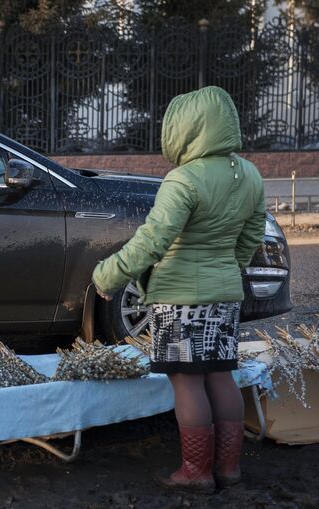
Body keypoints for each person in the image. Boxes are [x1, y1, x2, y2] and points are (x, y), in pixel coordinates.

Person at [91, 86, 265, 493]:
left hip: (180, 297)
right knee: (221, 376)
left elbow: (153, 239)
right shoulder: (250, 173)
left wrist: (108, 276)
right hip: (224, 294)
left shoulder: (183, 179)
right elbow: (252, 234)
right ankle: (229, 468)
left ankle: (196, 472)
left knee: (186, 382)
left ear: (187, 129)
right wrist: (228, 268)